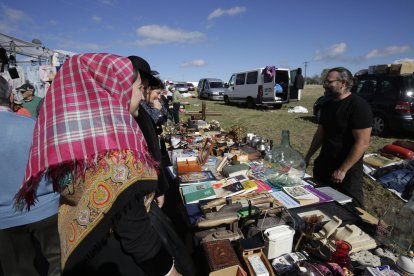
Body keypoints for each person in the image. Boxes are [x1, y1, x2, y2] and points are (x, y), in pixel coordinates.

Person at [16, 53, 179, 276]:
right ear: (117, 88)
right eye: (140, 88)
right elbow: (135, 232)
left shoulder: (80, 143)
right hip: (118, 259)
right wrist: (169, 271)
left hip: (86, 255)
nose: (142, 96)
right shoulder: (115, 156)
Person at [0, 75, 61, 276]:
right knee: (59, 264)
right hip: (46, 210)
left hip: (5, 221)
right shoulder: (32, 125)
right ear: (10, 97)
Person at [304, 67, 372, 208]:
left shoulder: (358, 106)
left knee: (351, 209)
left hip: (347, 172)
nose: (324, 85)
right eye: (325, 81)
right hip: (324, 165)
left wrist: (343, 169)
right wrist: (308, 156)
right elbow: (320, 133)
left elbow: (362, 143)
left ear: (343, 83)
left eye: (329, 82)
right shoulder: (327, 104)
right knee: (320, 204)